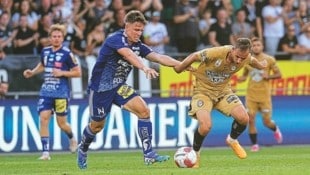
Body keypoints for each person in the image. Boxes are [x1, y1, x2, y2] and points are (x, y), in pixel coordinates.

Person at [77, 10, 182, 170]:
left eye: (141, 30)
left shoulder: (138, 45)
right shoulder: (115, 39)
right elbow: (128, 55)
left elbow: (159, 57)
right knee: (97, 126)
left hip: (119, 87)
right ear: (126, 26)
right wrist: (143, 68)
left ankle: (149, 155)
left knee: (144, 111)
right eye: (136, 29)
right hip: (100, 89)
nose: (139, 33)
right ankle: (83, 148)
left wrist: (181, 64)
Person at [174, 38, 267, 168]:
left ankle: (232, 140)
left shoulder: (246, 57)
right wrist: (180, 67)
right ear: (233, 49)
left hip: (224, 92)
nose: (239, 60)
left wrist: (261, 65)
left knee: (244, 118)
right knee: (205, 126)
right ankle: (195, 153)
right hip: (203, 92)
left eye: (243, 58)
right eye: (238, 57)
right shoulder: (217, 52)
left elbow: (252, 61)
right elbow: (195, 56)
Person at [23, 24, 81, 160]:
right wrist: (32, 72)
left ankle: (72, 138)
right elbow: (43, 65)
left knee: (61, 123)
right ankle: (45, 153)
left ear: (63, 38)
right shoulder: (45, 51)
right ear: (50, 38)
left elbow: (78, 72)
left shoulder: (67, 54)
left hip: (61, 93)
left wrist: (62, 72)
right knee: (43, 119)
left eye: (59, 36)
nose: (56, 39)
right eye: (54, 36)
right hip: (46, 92)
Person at [238, 37, 283, 152]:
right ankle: (255, 145)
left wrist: (269, 76)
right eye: (254, 45)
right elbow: (245, 75)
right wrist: (240, 79)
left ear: (262, 47)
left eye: (258, 45)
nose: (256, 47)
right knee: (251, 119)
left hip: (264, 96)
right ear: (251, 48)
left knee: (266, 122)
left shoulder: (269, 59)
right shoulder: (248, 60)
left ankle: (275, 129)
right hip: (251, 95)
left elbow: (279, 74)